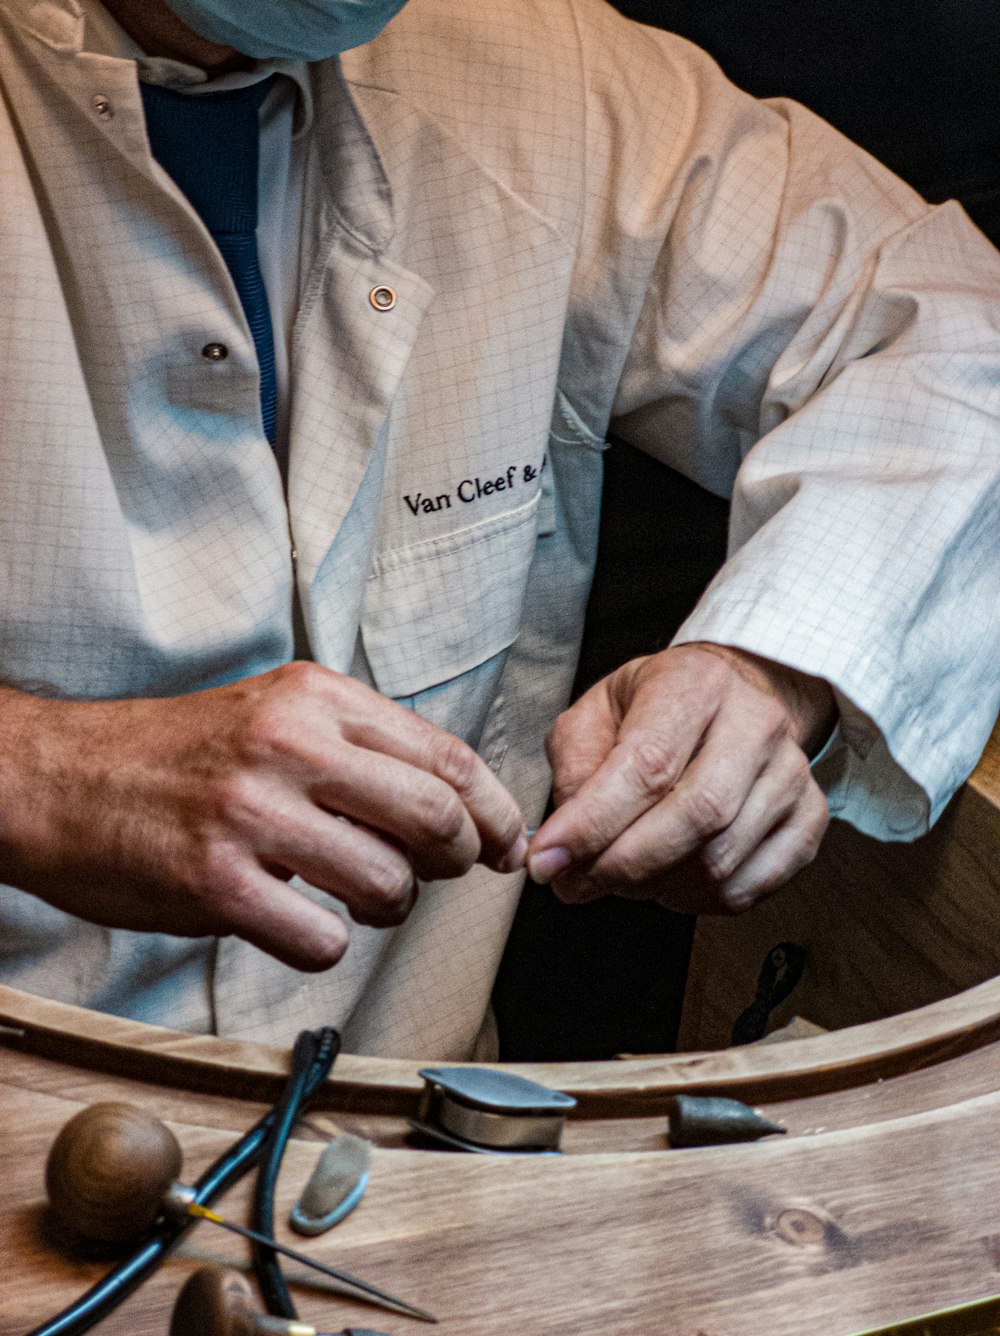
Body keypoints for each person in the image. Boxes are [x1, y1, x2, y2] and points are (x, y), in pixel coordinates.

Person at [0, 0, 996, 1058]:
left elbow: (955, 331)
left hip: (400, 1143)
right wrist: (39, 774)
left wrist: (776, 665)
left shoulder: (548, 66)